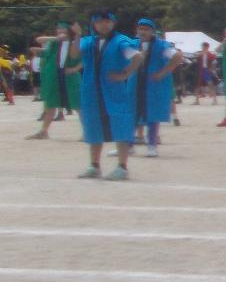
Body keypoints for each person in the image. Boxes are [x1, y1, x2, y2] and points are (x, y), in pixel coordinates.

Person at [66, 13, 141, 179]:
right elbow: (73, 54)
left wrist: (125, 74)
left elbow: (137, 56)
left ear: (113, 23)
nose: (103, 25)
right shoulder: (88, 41)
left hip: (113, 90)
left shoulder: (120, 41)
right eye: (99, 22)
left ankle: (122, 167)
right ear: (94, 24)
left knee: (120, 124)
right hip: (91, 90)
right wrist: (77, 35)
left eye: (107, 21)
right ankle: (94, 165)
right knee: (93, 125)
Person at [132, 18, 181, 156]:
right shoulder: (134, 44)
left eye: (146, 29)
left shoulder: (160, 46)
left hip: (153, 86)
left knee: (152, 115)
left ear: (152, 31)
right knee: (131, 114)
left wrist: (163, 72)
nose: (142, 32)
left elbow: (177, 57)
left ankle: (152, 145)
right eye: (140, 29)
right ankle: (127, 145)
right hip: (135, 85)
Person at [26, 22, 80, 140]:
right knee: (50, 103)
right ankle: (44, 131)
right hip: (53, 78)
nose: (60, 31)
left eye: (63, 29)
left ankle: (87, 132)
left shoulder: (74, 42)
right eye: (58, 29)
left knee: (77, 103)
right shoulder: (53, 43)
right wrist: (54, 40)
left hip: (68, 77)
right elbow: (39, 40)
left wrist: (75, 68)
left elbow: (81, 57)